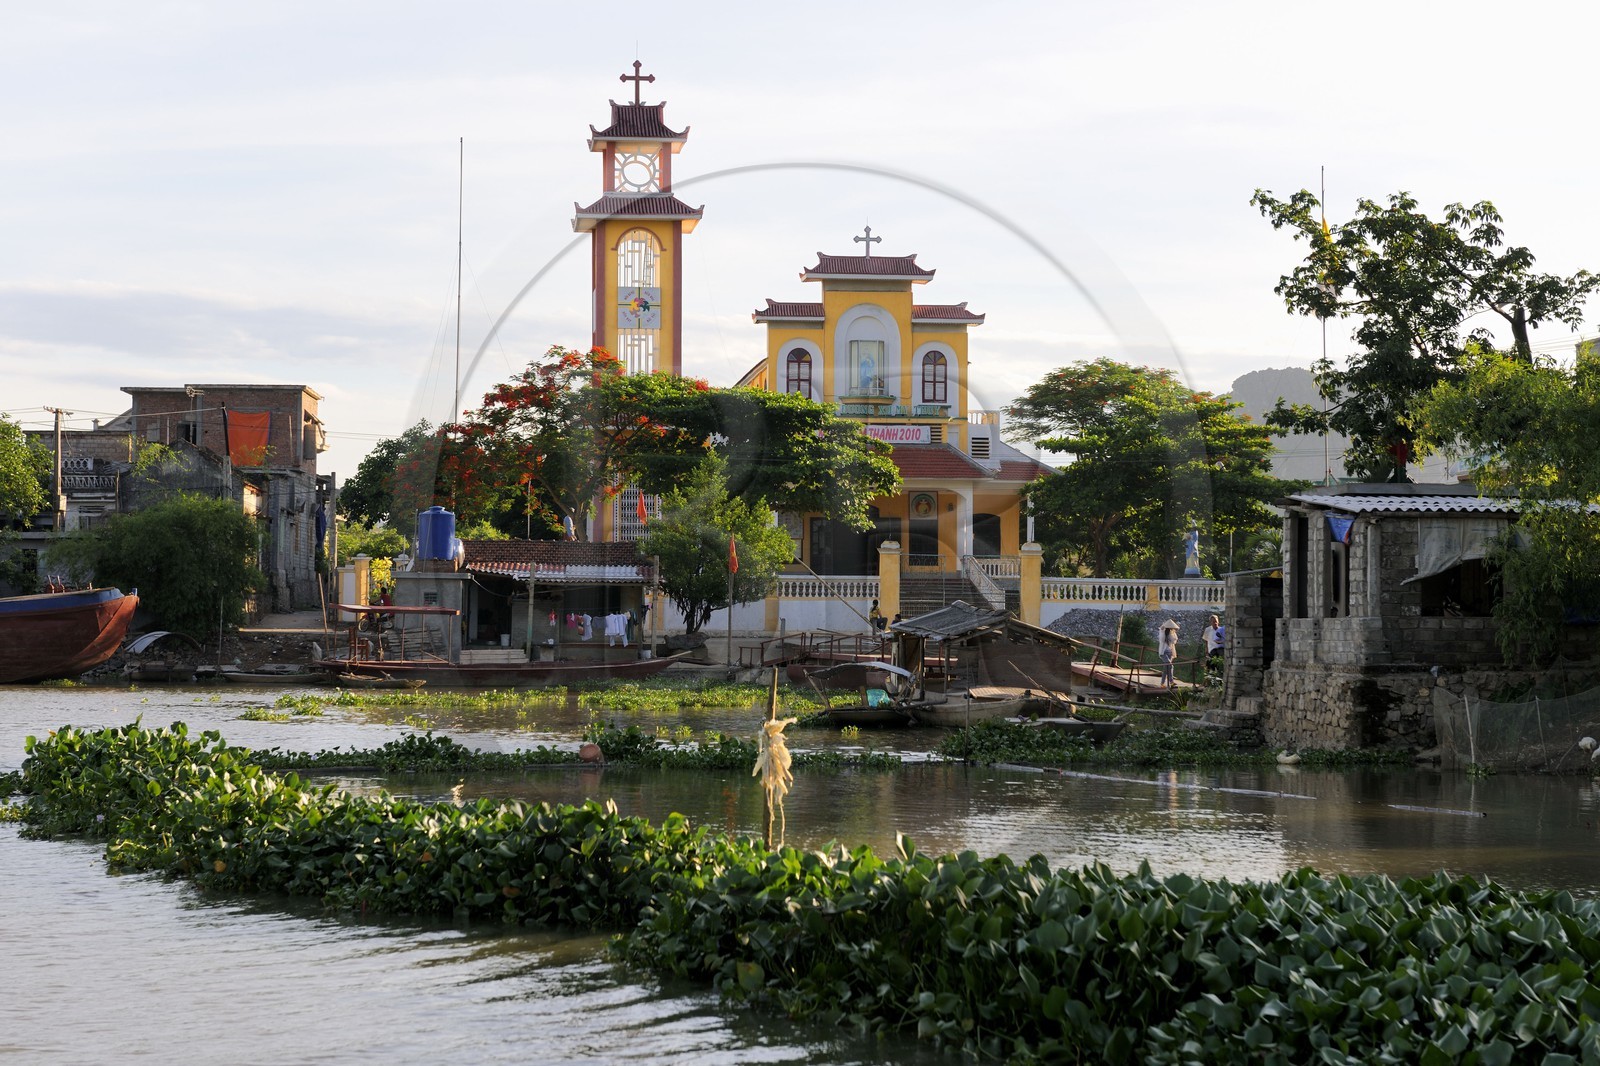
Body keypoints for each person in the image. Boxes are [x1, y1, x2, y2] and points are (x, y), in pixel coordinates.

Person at [1158, 620, 1180, 688]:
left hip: (1170, 652)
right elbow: (1161, 639)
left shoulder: (1171, 634)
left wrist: (1173, 632)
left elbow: (1174, 641)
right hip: (1163, 653)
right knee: (1170, 665)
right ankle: (1171, 681)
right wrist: (1162, 631)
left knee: (1166, 668)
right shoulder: (1163, 633)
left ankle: (1162, 683)